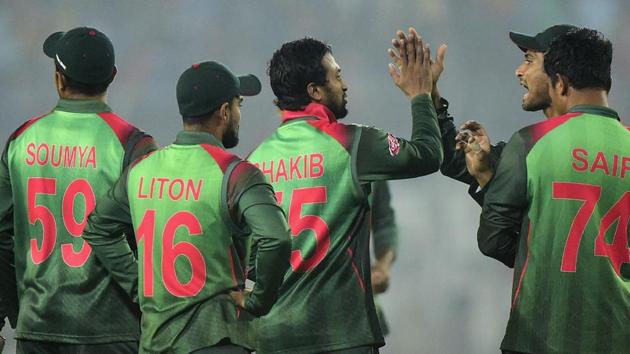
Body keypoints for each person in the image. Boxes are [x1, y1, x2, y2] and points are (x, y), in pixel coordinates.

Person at [247, 28, 444, 353]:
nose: (345, 84)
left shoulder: (254, 162)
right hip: (341, 336)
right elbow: (428, 154)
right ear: (316, 91)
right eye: (337, 76)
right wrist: (421, 95)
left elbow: (250, 261)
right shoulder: (353, 144)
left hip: (273, 337)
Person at [82, 61, 291, 354]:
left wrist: (140, 285)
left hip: (156, 341)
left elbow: (98, 228)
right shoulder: (236, 172)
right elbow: (276, 237)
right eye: (239, 104)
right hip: (217, 338)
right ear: (224, 112)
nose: (239, 114)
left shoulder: (142, 169)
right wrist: (258, 301)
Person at [461, 28, 629, 354]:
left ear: (561, 83)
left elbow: (493, 239)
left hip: (539, 337)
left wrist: (539, 257)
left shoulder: (530, 142)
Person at [0, 27, 157, 353]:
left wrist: (15, 315)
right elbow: (152, 245)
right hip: (114, 332)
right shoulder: (133, 144)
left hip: (38, 330)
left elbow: (2, 239)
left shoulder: (20, 141)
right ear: (112, 76)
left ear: (59, 79)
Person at [369, 181, 398, 337]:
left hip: (357, 306)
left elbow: (384, 221)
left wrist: (383, 265)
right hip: (294, 302)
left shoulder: (365, 158)